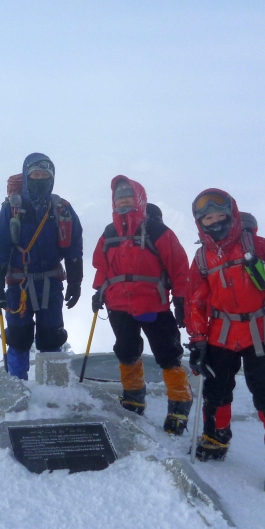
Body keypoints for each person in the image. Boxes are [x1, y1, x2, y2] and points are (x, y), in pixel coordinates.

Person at [185, 189, 265, 494]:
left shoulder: (258, 246)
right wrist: (197, 340)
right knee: (216, 391)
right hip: (221, 334)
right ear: (200, 222)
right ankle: (216, 438)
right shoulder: (202, 258)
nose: (215, 221)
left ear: (232, 214)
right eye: (208, 217)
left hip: (261, 333)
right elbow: (195, 301)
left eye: (221, 215)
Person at [91, 177, 193, 434]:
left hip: (153, 304)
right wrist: (99, 290)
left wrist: (180, 299)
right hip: (118, 304)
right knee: (126, 351)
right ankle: (133, 398)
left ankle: (180, 404)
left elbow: (179, 267)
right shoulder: (109, 232)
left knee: (168, 354)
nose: (123, 201)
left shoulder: (158, 230)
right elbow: (101, 266)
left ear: (138, 199)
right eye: (118, 197)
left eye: (127, 196)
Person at [0, 154, 83, 380]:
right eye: (35, 175)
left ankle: (54, 386)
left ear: (52, 178)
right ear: (27, 176)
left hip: (51, 284)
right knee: (18, 337)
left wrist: (75, 282)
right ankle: (16, 385)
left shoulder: (62, 210)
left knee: (52, 335)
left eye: (45, 175)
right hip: (18, 286)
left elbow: (74, 249)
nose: (40, 179)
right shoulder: (12, 209)